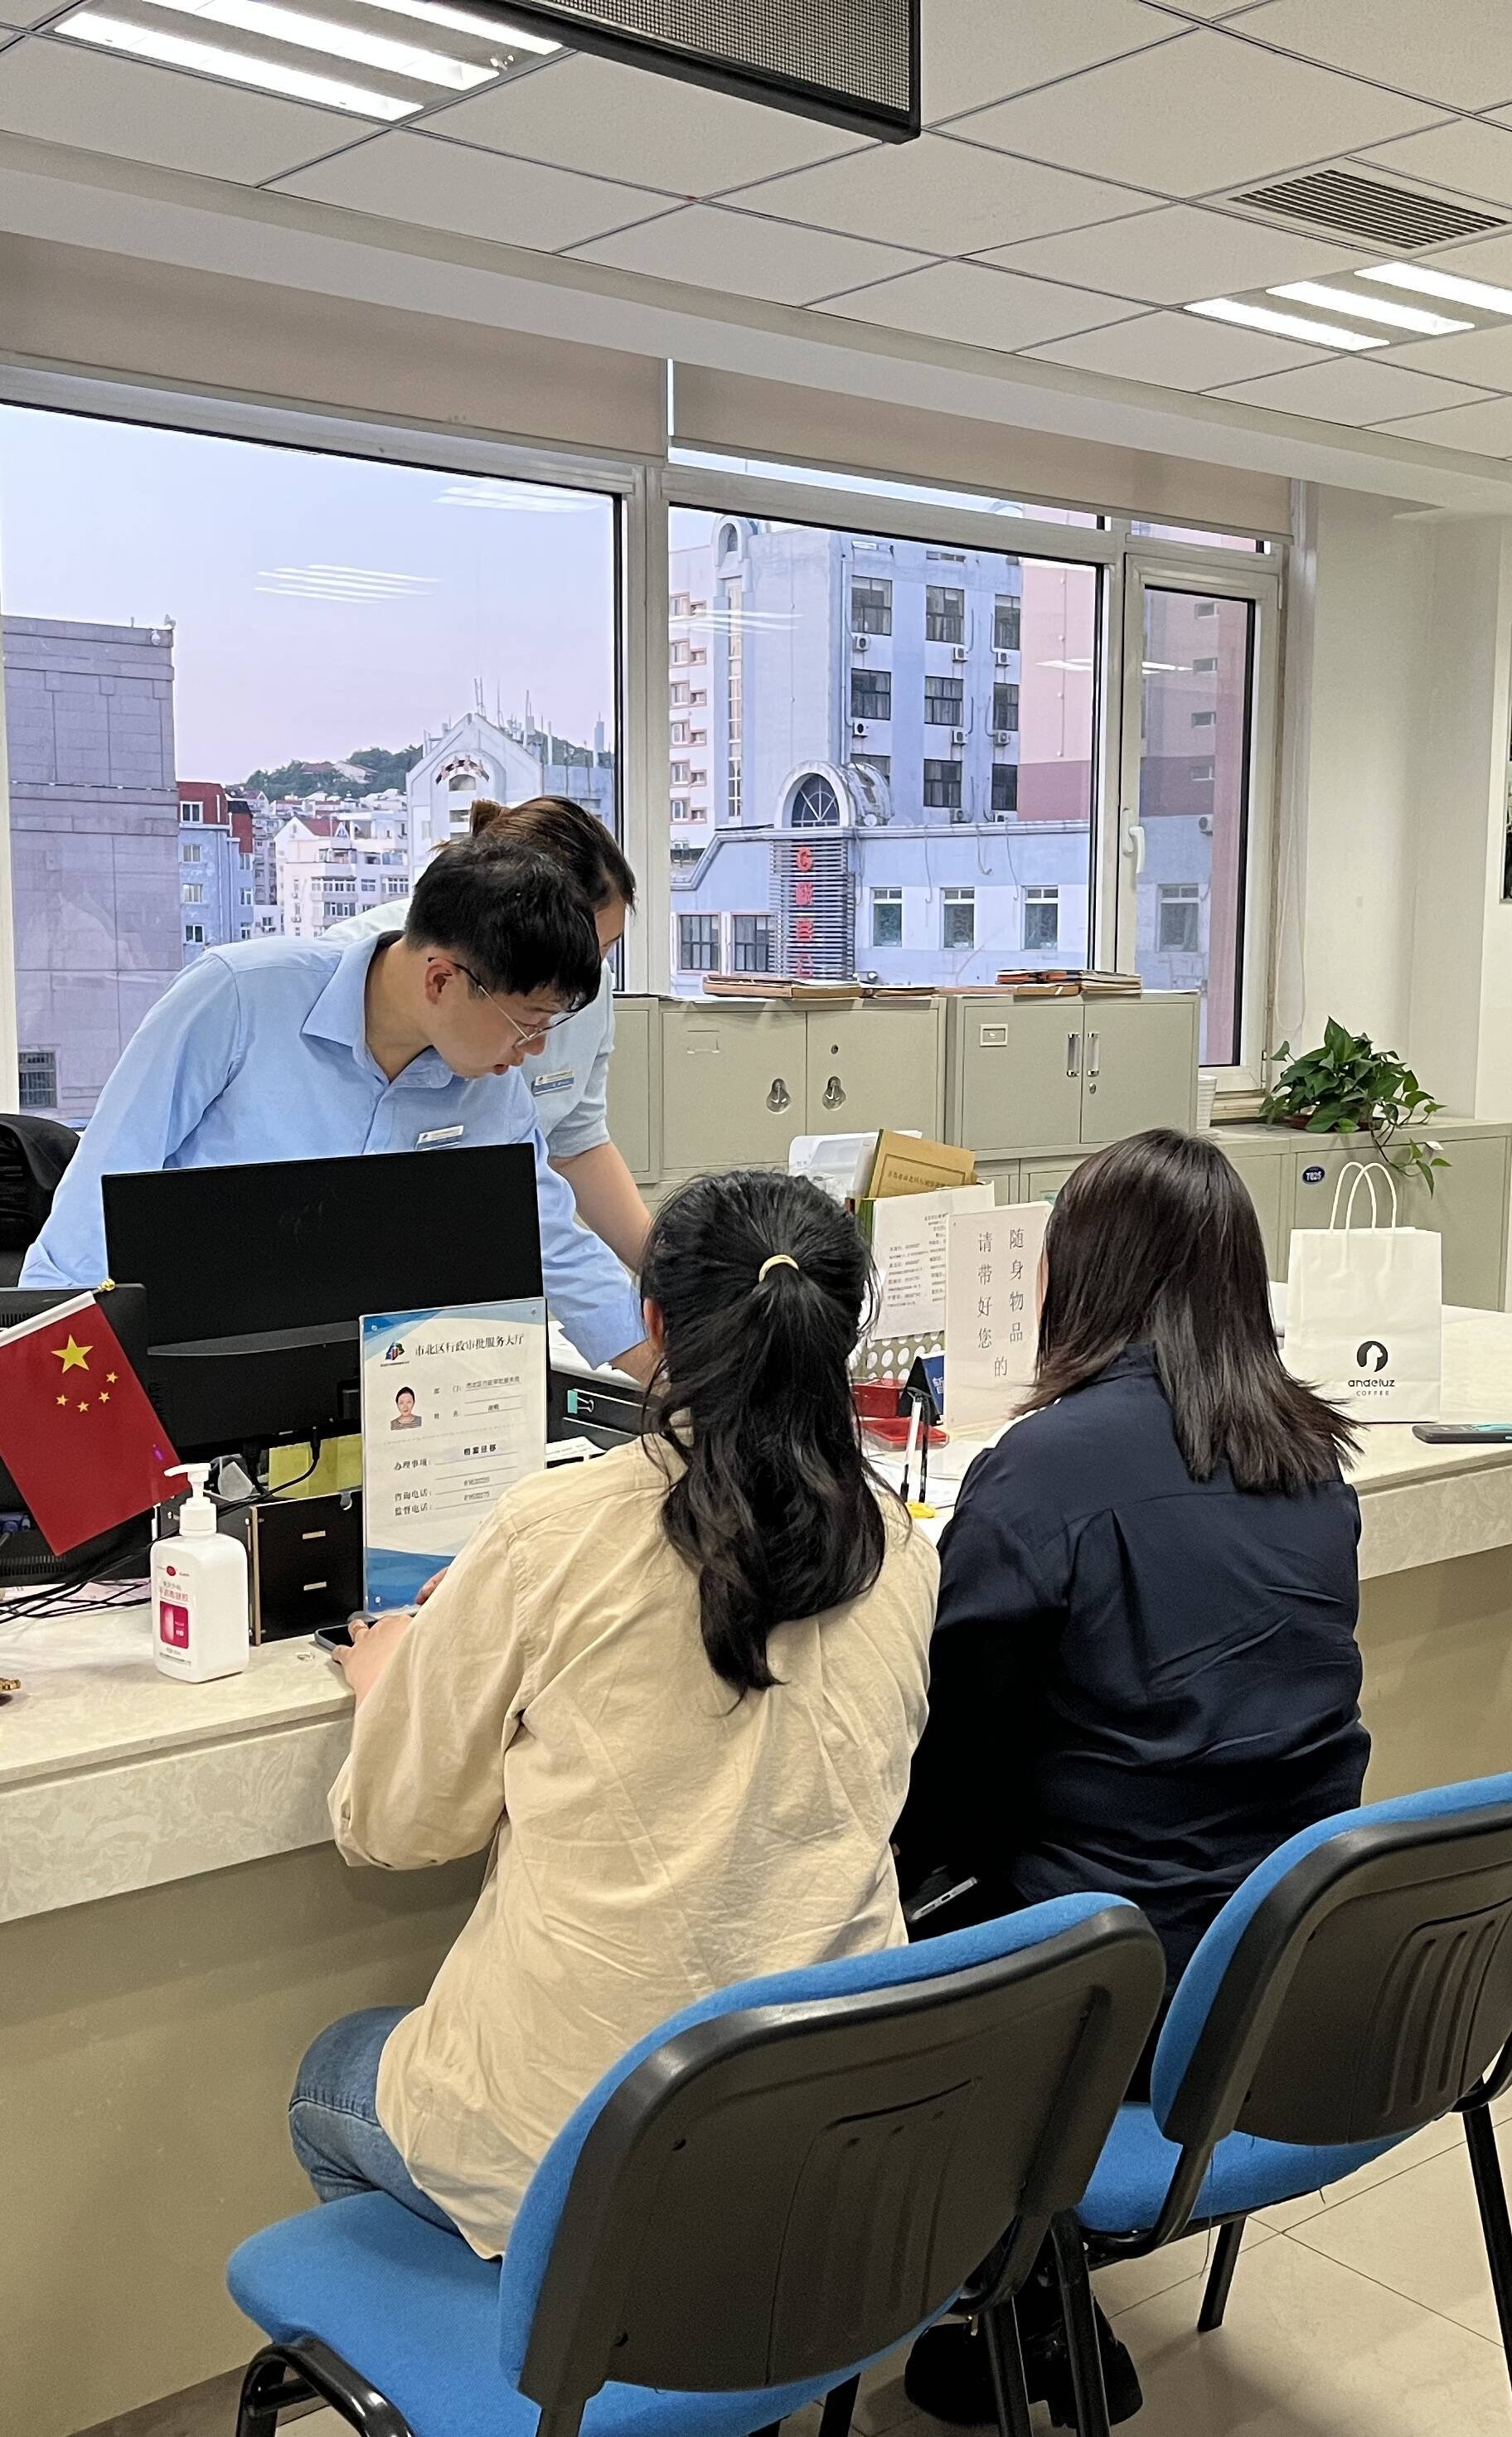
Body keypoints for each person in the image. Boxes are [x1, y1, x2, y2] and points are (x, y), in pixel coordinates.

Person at [293, 1168, 937, 2256]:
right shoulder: (901, 1547)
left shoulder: (552, 1533)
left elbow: (398, 1830)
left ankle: (540, 2338)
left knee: (333, 2071)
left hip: (591, 2157)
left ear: (654, 1325)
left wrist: (392, 1679)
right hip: (828, 2134)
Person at [895, 1127, 1365, 2428]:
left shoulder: (1043, 1471)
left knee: (853, 1914)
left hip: (1116, 1986)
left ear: (1077, 1276)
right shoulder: (1312, 1457)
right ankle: (1037, 2285)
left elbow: (952, 1776)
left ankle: (1007, 2279)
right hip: (1281, 1964)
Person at [22, 835, 650, 1380]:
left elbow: (548, 1236)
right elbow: (98, 1197)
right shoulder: (241, 997)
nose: (534, 1048)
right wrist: (58, 1378)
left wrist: (667, 1371)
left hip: (371, 1387)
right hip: (189, 1361)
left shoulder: (488, 1083)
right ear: (441, 980)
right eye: (527, 1022)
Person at [335, 796, 650, 1272]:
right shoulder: (370, 974)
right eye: (585, 949)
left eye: (605, 949)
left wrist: (671, 1279)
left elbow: (575, 1146)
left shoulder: (587, 984)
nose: (587, 975)